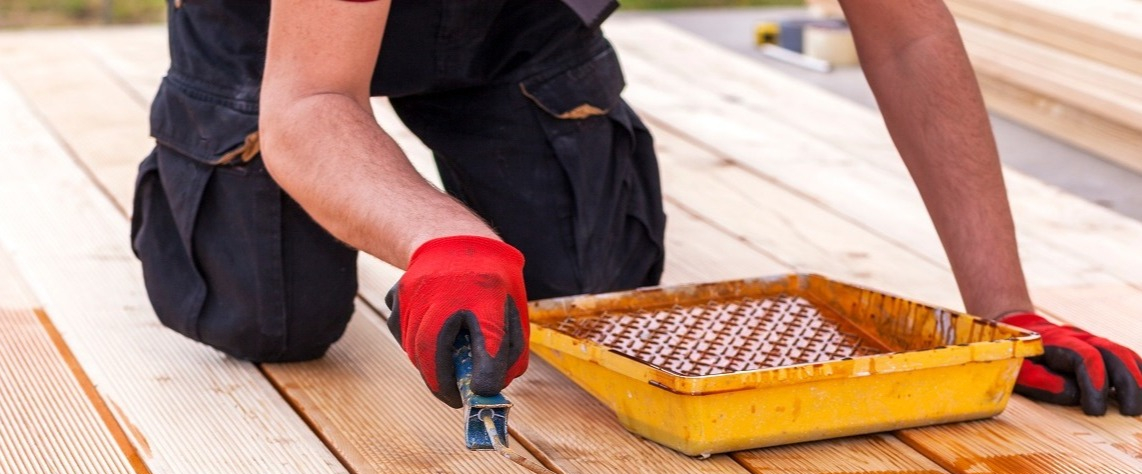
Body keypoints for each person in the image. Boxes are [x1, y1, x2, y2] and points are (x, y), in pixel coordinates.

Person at [131, 0, 1142, 416]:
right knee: (267, 320)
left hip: (509, 27)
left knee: (587, 302)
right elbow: (313, 103)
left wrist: (1002, 309)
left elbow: (907, 37)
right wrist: (439, 238)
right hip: (281, 41)